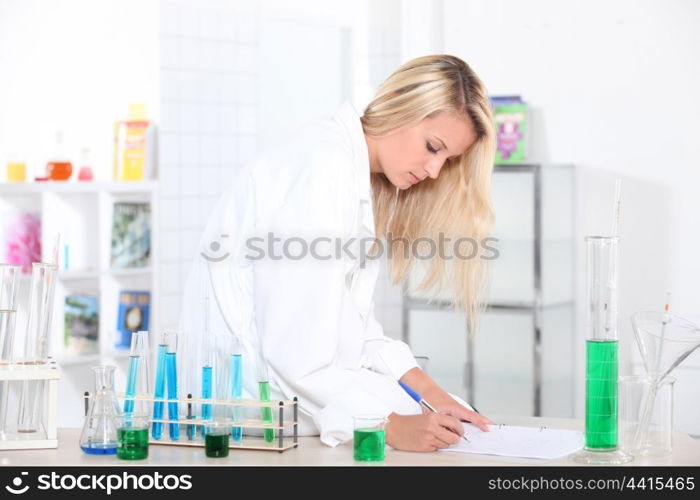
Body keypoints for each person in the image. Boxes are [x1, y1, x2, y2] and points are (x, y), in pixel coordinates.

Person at [181, 54, 496, 452]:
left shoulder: (351, 173)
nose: (434, 171)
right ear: (400, 105)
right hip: (252, 412)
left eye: (446, 160)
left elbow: (355, 329)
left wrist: (436, 396)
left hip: (286, 400)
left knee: (435, 424)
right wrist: (389, 426)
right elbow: (296, 358)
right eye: (433, 147)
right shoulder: (323, 170)